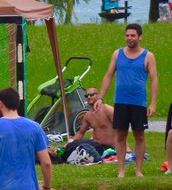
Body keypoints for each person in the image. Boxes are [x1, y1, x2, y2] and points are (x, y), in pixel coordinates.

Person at [94, 23, 159, 178]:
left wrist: (153, 103)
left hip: (138, 103)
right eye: (127, 35)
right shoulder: (118, 54)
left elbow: (154, 79)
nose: (129, 38)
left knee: (139, 136)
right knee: (121, 136)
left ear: (140, 37)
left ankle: (138, 170)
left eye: (133, 36)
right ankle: (121, 171)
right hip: (121, 102)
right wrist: (100, 98)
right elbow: (108, 75)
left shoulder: (148, 56)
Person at [64, 89, 119, 159]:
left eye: (91, 94)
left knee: (80, 145)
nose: (89, 97)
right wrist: (70, 143)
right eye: (86, 96)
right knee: (73, 146)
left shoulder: (108, 110)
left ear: (98, 95)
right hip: (96, 146)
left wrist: (126, 147)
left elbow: (120, 128)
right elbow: (81, 133)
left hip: (109, 147)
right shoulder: (88, 115)